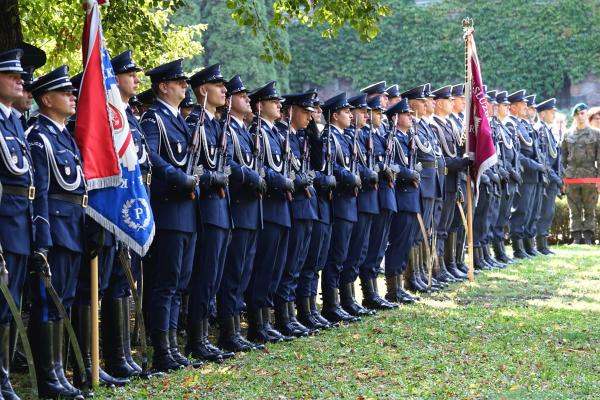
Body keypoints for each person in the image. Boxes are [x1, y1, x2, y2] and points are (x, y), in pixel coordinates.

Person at [27, 64, 85, 399]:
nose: (72, 96)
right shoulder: (40, 136)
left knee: (66, 300)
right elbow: (42, 192)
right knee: (50, 303)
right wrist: (43, 240)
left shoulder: (65, 136)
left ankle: (60, 373)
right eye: (65, 93)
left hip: (73, 227)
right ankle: (49, 378)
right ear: (46, 99)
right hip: (56, 230)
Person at [140, 59, 199, 372]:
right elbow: (151, 157)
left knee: (180, 283)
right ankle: (162, 348)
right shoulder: (154, 119)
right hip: (168, 210)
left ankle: (173, 346)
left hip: (187, 212)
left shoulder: (179, 120)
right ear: (163, 86)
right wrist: (179, 178)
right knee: (166, 283)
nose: (184, 86)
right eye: (179, 82)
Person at [185, 64, 234, 362]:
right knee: (204, 277)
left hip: (222, 209)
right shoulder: (195, 124)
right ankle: (196, 339)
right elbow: (191, 165)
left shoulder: (216, 124)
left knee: (214, 277)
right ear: (203, 90)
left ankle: (205, 336)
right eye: (219, 86)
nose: (225, 91)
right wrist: (210, 179)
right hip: (207, 210)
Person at [215, 75, 265, 352]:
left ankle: (236, 329)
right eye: (242, 95)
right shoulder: (226, 128)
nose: (248, 99)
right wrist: (248, 176)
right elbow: (229, 163)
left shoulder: (244, 130)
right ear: (231, 101)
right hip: (237, 207)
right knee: (233, 274)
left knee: (243, 272)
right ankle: (228, 331)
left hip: (251, 209)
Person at [245, 81, 295, 344]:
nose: (279, 105)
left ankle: (267, 320)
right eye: (274, 102)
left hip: (282, 208)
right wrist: (280, 182)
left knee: (276, 268)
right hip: (269, 207)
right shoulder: (256, 131)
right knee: (264, 268)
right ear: (260, 105)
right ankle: (257, 324)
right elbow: (261, 167)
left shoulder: (276, 132)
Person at [0, 48, 37, 400]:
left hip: (20, 224)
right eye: (12, 75)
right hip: (4, 226)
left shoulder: (13, 120)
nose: (20, 81)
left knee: (11, 304)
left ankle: (5, 377)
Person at [273, 92, 318, 337]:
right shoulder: (280, 136)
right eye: (305, 112)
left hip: (306, 207)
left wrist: (315, 135)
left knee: (298, 264)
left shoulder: (300, 137)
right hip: (294, 207)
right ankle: (284, 315)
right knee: (289, 265)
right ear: (290, 110)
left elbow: (316, 165)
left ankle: (291, 314)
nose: (310, 117)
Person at [320, 92, 362, 324]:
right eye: (346, 112)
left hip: (349, 203)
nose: (350, 115)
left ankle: (342, 301)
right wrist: (349, 176)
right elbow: (332, 166)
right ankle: (331, 304)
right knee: (335, 257)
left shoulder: (344, 137)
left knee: (344, 255)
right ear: (335, 115)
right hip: (339, 203)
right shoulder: (329, 137)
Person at [338, 93, 379, 317]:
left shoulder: (357, 137)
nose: (365, 115)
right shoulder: (345, 137)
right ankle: (343, 300)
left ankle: (350, 299)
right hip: (356, 200)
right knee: (347, 254)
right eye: (361, 111)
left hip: (362, 200)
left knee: (358, 253)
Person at [358, 95, 398, 309]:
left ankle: (373, 291)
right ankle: (368, 292)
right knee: (370, 247)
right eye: (377, 112)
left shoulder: (381, 134)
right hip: (374, 196)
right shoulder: (364, 135)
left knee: (379, 246)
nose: (381, 116)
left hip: (385, 196)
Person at [429, 85, 470, 280]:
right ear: (438, 103)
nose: (452, 103)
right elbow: (441, 157)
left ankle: (449, 263)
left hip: (453, 179)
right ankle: (438, 268)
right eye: (448, 100)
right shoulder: (433, 126)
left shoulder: (450, 124)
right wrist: (462, 162)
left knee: (449, 224)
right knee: (439, 227)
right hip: (442, 179)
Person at [383, 98, 421, 303]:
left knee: (406, 242)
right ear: (396, 118)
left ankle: (399, 284)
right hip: (402, 196)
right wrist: (409, 173)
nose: (410, 117)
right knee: (398, 242)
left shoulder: (408, 138)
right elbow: (393, 166)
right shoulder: (393, 138)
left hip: (411, 197)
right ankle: (393, 288)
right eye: (407, 114)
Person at [507, 89, 543, 258]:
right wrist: (534, 165)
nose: (525, 107)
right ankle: (518, 248)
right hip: (524, 173)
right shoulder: (511, 124)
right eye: (521, 104)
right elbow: (517, 154)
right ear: (512, 108)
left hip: (533, 174)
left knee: (530, 212)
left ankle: (529, 245)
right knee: (520, 212)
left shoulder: (524, 124)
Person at [561, 103, 600, 244]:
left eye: (582, 113)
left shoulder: (596, 134)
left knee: (590, 208)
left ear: (586, 114)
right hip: (571, 176)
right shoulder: (567, 134)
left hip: (590, 175)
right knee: (574, 209)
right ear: (574, 116)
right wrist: (562, 179)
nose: (580, 116)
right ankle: (576, 238)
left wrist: (599, 179)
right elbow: (562, 158)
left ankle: (588, 238)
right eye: (577, 114)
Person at [490, 91, 519, 264]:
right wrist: (505, 170)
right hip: (500, 176)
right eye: (503, 105)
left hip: (508, 176)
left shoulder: (503, 126)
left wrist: (514, 170)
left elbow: (511, 153)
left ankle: (499, 252)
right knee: (495, 217)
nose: (507, 108)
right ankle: (496, 253)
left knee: (503, 217)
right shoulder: (493, 126)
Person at [534, 98, 561, 254]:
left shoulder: (547, 130)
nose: (554, 115)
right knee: (543, 212)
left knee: (548, 212)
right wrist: (556, 178)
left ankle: (543, 244)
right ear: (543, 114)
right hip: (545, 178)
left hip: (550, 178)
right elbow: (543, 158)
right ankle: (540, 245)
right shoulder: (539, 130)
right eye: (551, 112)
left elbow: (555, 157)